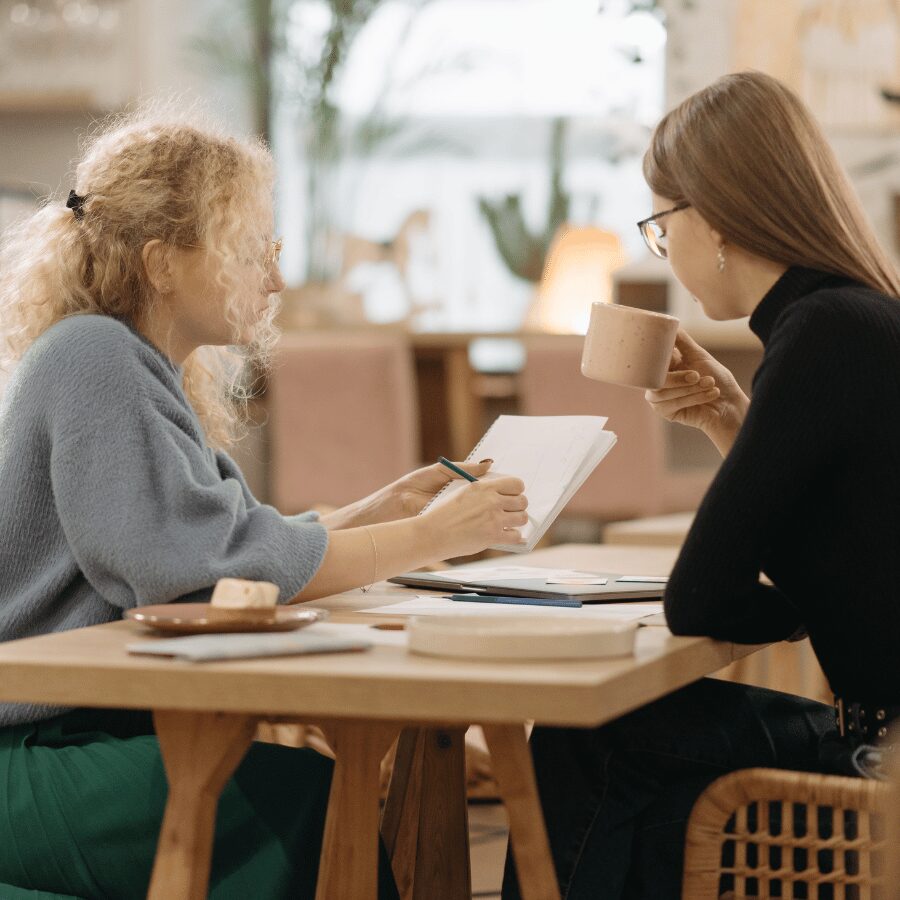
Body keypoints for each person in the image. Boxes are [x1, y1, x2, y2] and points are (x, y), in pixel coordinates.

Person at [0, 106, 528, 900]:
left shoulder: (131, 365)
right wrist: (426, 537)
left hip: (80, 731)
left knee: (309, 791)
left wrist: (375, 511)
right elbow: (198, 575)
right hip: (34, 755)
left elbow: (227, 544)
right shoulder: (95, 359)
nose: (274, 277)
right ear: (162, 262)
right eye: (250, 251)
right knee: (305, 803)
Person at [502, 70, 900, 900]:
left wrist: (795, 616)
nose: (664, 247)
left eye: (660, 222)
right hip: (878, 740)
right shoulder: (857, 316)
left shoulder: (822, 332)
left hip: (881, 765)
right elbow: (850, 552)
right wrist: (731, 419)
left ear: (711, 219)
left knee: (587, 739)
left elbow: (699, 597)